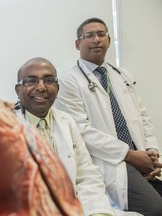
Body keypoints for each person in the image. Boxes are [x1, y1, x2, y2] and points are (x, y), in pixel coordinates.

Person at [55, 17, 162, 216]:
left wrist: (151, 152)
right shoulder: (68, 81)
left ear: (109, 41)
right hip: (113, 161)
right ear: (78, 44)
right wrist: (129, 155)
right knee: (155, 209)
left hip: (141, 155)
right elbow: (81, 130)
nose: (96, 39)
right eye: (89, 36)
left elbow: (143, 117)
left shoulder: (122, 75)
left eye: (101, 34)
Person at [14, 57, 142, 216]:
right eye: (31, 81)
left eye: (48, 80)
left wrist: (98, 212)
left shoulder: (67, 122)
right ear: (18, 90)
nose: (41, 87)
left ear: (57, 88)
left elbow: (86, 176)